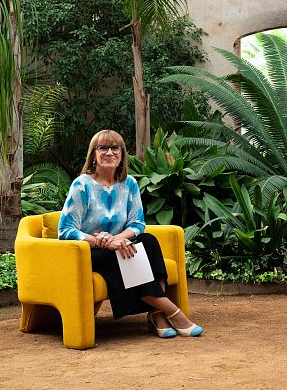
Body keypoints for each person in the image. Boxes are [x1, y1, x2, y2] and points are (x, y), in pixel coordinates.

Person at [58, 130, 203, 339]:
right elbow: (66, 230)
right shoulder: (82, 185)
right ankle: (170, 311)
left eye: (115, 148)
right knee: (125, 257)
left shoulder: (129, 184)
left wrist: (116, 240)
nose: (109, 153)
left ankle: (157, 315)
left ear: (122, 155)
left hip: (119, 246)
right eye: (103, 148)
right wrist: (102, 242)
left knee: (148, 241)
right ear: (93, 155)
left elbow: (137, 223)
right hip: (90, 251)